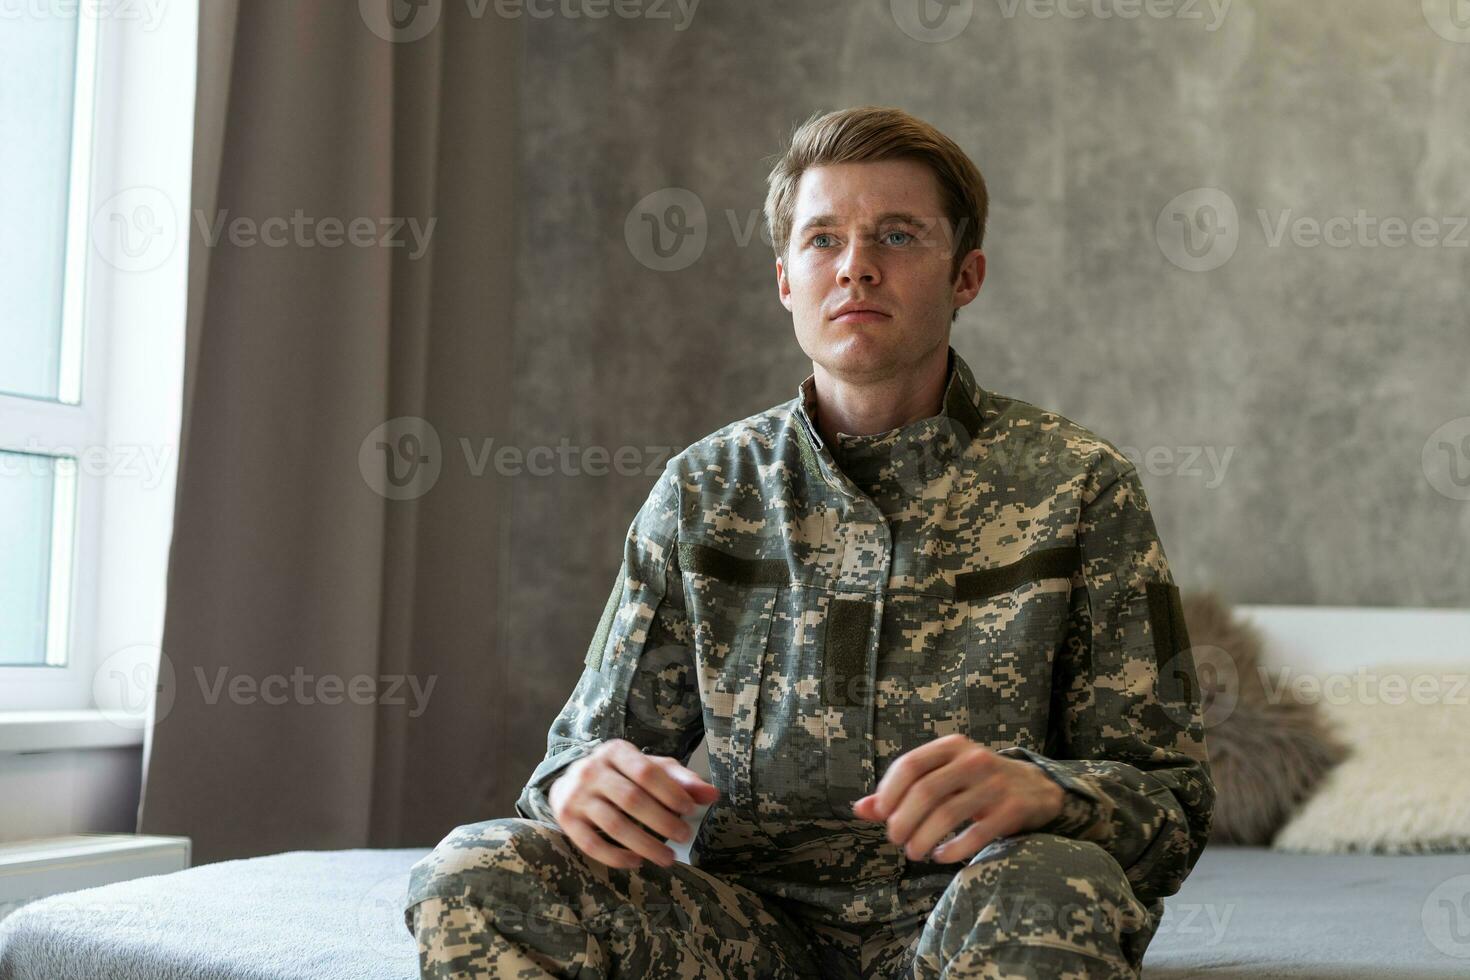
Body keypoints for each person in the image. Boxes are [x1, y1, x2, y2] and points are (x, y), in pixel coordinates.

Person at [404, 104, 1215, 979]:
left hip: (977, 912)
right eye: (823, 239)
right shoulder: (703, 491)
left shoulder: (1080, 485)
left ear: (966, 276)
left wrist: (1050, 792)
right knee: (476, 870)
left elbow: (1171, 804)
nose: (856, 267)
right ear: (786, 279)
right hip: (748, 935)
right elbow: (578, 759)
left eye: (898, 237)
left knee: (1051, 882)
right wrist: (578, 787)